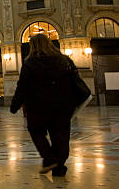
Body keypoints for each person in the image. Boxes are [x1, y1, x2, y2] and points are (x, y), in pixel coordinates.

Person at [10, 34, 78, 176]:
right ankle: (59, 167)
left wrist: (15, 105)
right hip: (63, 106)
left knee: (36, 132)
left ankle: (49, 158)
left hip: (38, 107)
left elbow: (22, 86)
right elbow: (75, 82)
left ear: (33, 46)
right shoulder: (65, 60)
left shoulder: (30, 63)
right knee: (61, 135)